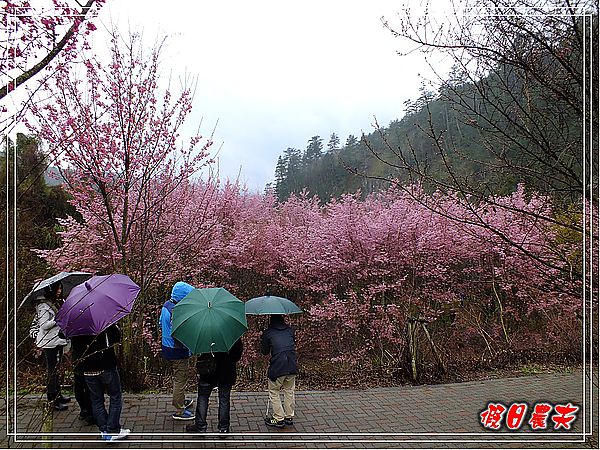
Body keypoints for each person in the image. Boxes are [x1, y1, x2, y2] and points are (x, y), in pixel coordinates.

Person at [70, 324, 130, 442]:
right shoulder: (102, 321)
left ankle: (104, 430)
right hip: (105, 365)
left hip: (87, 368)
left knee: (96, 400)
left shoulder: (75, 324)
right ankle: (112, 428)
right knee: (115, 396)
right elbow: (116, 337)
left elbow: (63, 336)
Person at [186, 338, 243, 434]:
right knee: (224, 399)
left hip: (208, 370)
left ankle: (200, 426)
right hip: (226, 371)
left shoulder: (205, 332)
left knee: (203, 397)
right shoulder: (231, 334)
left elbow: (198, 350)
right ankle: (223, 427)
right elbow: (237, 354)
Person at [32, 282, 71, 411]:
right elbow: (44, 325)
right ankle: (52, 399)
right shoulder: (44, 305)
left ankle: (58, 395)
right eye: (57, 288)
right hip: (49, 342)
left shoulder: (55, 302)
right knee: (52, 371)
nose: (59, 291)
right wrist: (58, 318)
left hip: (57, 340)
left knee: (57, 369)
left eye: (61, 288)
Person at [159, 281, 195, 420]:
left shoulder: (167, 305)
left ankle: (180, 399)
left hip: (167, 347)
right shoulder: (177, 311)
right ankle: (179, 409)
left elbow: (161, 323)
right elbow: (179, 333)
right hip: (177, 351)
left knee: (178, 377)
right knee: (180, 379)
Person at [260, 314, 298, 428]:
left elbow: (265, 351)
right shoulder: (290, 330)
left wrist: (264, 338)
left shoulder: (268, 333)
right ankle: (289, 417)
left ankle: (278, 418)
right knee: (289, 391)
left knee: (274, 391)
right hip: (291, 365)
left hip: (277, 366)